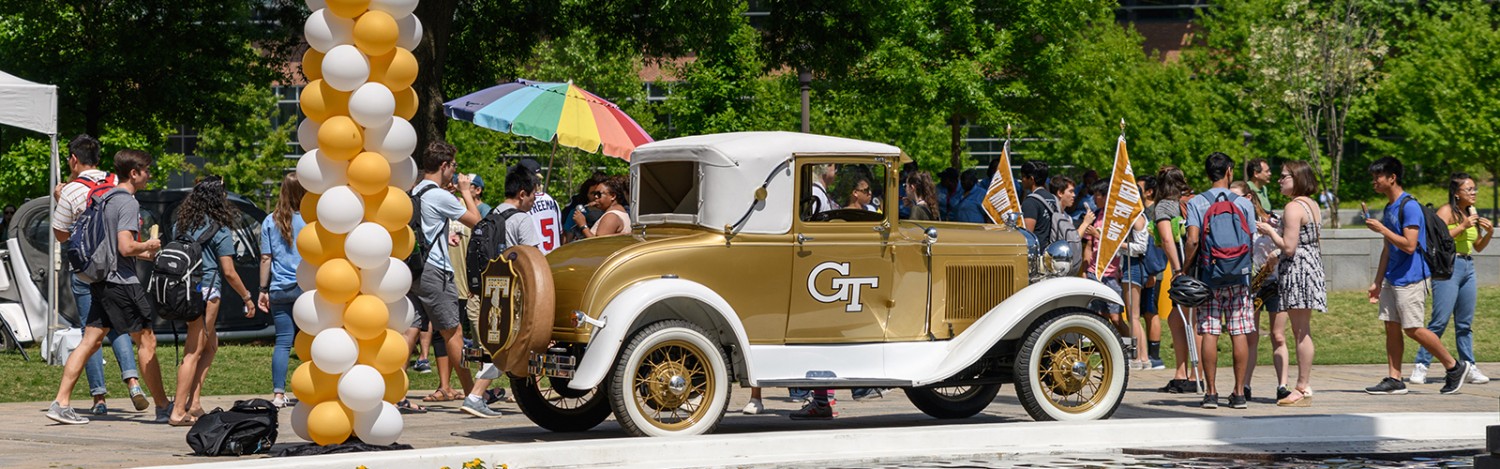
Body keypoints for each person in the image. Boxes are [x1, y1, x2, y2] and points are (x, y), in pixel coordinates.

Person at [46, 149, 170, 425]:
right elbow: (125, 246)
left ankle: (61, 402)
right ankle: (163, 407)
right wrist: (148, 245)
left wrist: (141, 252)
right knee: (146, 340)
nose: (149, 176)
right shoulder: (126, 201)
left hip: (101, 279)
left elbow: (114, 246)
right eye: (146, 171)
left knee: (90, 341)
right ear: (134, 173)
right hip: (121, 282)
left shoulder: (104, 197)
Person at [1363, 157, 1471, 395]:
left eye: (1377, 177)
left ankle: (1454, 366)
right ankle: (1395, 378)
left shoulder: (1409, 206)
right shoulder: (1390, 207)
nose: (1374, 182)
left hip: (1412, 277)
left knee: (1412, 328)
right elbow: (1387, 249)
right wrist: (1378, 281)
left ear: (1392, 178)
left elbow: (1410, 245)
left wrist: (1382, 228)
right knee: (1391, 326)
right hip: (1393, 277)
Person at [167, 176, 253, 425]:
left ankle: (194, 403)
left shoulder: (180, 225)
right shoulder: (220, 228)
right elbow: (229, 271)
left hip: (184, 291)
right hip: (207, 293)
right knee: (193, 352)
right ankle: (178, 411)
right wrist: (247, 297)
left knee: (210, 345)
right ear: (218, 198)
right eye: (224, 192)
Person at [460, 164, 545, 419]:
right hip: (516, 291)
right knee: (508, 346)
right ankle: (476, 396)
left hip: (493, 289)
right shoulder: (522, 219)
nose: (533, 201)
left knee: (501, 343)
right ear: (522, 193)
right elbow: (534, 258)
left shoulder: (493, 213)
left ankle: (485, 395)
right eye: (532, 195)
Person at [405, 141, 483, 403]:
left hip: (415, 270)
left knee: (411, 331)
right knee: (454, 332)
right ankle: (474, 395)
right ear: (444, 165)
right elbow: (477, 222)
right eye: (454, 166)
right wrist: (465, 192)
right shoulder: (440, 195)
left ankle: (392, 393)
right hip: (436, 270)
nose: (455, 172)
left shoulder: (416, 190)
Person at [1182, 152, 1257, 409]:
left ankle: (1211, 392)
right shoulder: (1244, 204)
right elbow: (1251, 240)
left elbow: (1192, 240)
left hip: (1209, 277)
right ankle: (1238, 393)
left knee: (1210, 332)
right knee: (1239, 333)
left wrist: (1184, 269)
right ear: (1229, 171)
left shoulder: (1197, 202)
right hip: (1239, 276)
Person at [1411, 173, 1493, 386]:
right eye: (1469, 189)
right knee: (1439, 320)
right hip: (1448, 267)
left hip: (1468, 266)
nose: (1474, 193)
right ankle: (1421, 365)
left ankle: (1469, 365)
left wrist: (1489, 232)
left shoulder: (1470, 213)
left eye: (1475, 189)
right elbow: (1436, 239)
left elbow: (1477, 247)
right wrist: (1464, 226)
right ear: (1457, 194)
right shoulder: (1446, 211)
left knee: (1465, 323)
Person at [1256, 161, 1325, 406]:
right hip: (1309, 267)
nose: (1279, 180)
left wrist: (1268, 231)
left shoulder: (1293, 207)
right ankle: (1303, 383)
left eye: (1284, 176)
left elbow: (1289, 246)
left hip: (1298, 270)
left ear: (1296, 178)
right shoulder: (1311, 204)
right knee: (1302, 328)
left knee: (1300, 330)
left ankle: (1301, 385)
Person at [257, 173, 306, 408]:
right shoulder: (312, 219)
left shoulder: (270, 221)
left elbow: (266, 259)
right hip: (307, 289)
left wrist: (262, 289)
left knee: (284, 341)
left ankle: (278, 394)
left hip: (279, 289)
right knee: (314, 341)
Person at [1151, 166, 1198, 394]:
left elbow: (1168, 240)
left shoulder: (1164, 205)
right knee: (1178, 317)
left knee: (1189, 319)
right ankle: (1185, 373)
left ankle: (1189, 375)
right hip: (1201, 265)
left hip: (1184, 267)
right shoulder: (1195, 201)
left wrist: (1178, 270)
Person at [1229, 180, 1270, 400]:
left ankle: (1281, 383)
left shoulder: (1264, 222)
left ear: (1247, 199)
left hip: (1265, 282)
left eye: (1234, 197)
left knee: (1275, 335)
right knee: (1247, 335)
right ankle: (1244, 385)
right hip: (1243, 284)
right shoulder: (1226, 221)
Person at [1137, 176, 1167, 370]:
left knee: (1150, 311)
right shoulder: (1141, 212)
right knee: (1143, 311)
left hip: (1152, 269)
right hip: (1143, 268)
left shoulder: (1155, 212)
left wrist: (1153, 271)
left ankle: (1154, 356)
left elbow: (1157, 243)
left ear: (1149, 191)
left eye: (1139, 188)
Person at [517, 159, 562, 254]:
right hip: (555, 259)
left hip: (537, 262)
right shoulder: (553, 201)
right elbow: (560, 234)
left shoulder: (524, 203)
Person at [562, 173, 607, 244]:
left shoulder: (607, 212)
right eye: (592, 193)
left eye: (599, 193)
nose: (596, 196)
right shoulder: (577, 213)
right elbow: (567, 239)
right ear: (586, 195)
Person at [1019, 160, 1053, 237]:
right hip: (1052, 247)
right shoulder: (1053, 198)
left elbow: (1028, 235)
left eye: (1023, 176)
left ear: (1031, 179)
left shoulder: (1030, 202)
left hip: (1039, 248)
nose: (1022, 180)